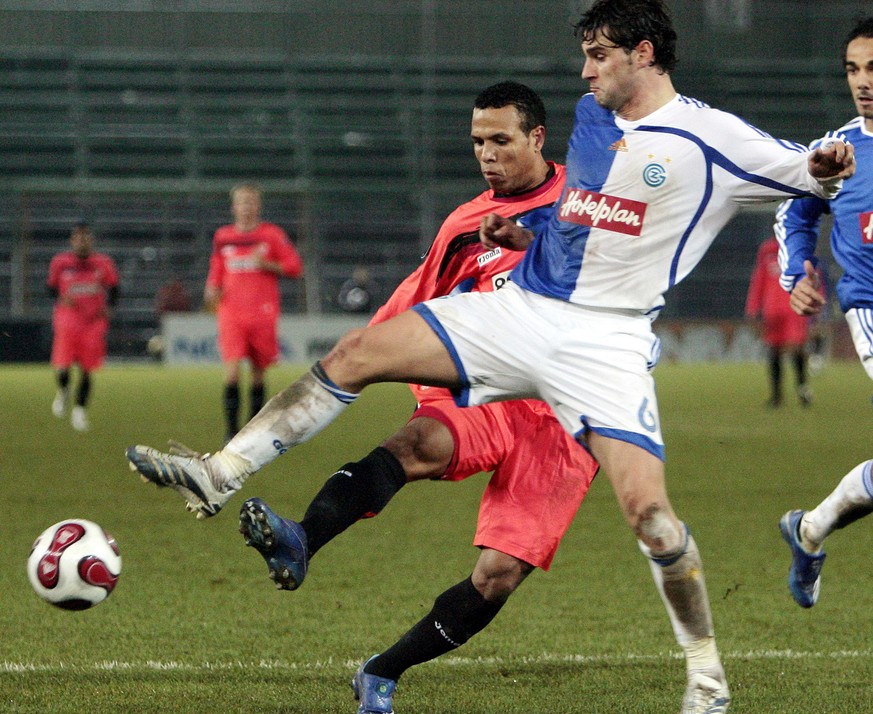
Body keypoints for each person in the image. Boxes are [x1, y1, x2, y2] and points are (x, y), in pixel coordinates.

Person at [127, 1, 854, 711]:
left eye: (597, 54)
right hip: (522, 311)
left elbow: (805, 170)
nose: (583, 71)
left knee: (649, 516)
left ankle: (705, 677)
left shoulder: (709, 136)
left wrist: (826, 162)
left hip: (605, 343)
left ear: (642, 54)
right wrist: (527, 244)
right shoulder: (596, 123)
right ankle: (219, 474)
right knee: (359, 351)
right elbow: (592, 229)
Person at [233, 81, 599, 713]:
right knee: (419, 443)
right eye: (478, 141)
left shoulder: (587, 202)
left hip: (575, 412)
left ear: (538, 138)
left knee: (497, 576)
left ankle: (382, 670)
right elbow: (415, 300)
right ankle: (301, 538)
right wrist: (365, 354)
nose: (486, 153)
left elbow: (623, 272)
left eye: (500, 140)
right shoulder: (465, 224)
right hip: (490, 388)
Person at [776, 17, 873, 610]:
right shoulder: (837, 150)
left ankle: (810, 528)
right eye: (853, 70)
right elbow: (796, 213)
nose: (862, 82)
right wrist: (797, 274)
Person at [204, 183, 303, 442]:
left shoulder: (271, 235)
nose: (246, 207)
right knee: (233, 370)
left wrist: (267, 264)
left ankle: (254, 431)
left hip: (262, 313)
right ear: (233, 207)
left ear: (257, 206)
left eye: (250, 202)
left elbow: (294, 267)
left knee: (259, 372)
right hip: (231, 313)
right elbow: (217, 268)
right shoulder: (223, 236)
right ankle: (231, 431)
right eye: (241, 202)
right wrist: (212, 288)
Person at [47, 222, 119, 432]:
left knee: (87, 369)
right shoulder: (60, 262)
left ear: (91, 240)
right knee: (63, 365)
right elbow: (50, 288)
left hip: (93, 321)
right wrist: (61, 297)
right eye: (78, 237)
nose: (82, 241)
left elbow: (114, 287)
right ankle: (64, 390)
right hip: (68, 320)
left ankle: (79, 411)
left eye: (86, 237)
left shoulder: (102, 263)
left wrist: (110, 307)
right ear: (72, 240)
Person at [744, 236, 814, 408]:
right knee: (774, 350)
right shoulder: (767, 250)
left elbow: (812, 277)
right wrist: (753, 308)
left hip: (794, 308)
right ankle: (776, 396)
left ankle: (802, 389)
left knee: (796, 348)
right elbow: (759, 279)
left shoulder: (800, 247)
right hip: (772, 310)